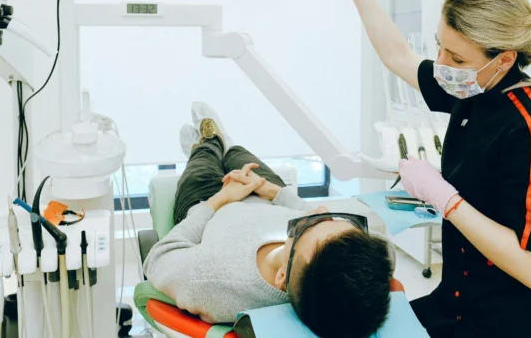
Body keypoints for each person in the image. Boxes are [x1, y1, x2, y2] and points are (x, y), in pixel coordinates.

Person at [339, 0, 531, 337]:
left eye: (456, 57)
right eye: (440, 46)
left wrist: (446, 199)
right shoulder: (472, 90)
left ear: (503, 59)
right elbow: (398, 55)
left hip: (516, 323)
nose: (442, 64)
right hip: (458, 301)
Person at [143, 102, 395, 338]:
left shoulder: (211, 280)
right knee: (239, 154)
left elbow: (157, 260)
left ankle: (207, 143)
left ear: (282, 277)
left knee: (205, 158)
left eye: (307, 223)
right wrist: (274, 192)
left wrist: (220, 199)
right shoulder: (347, 268)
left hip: (208, 200)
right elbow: (386, 251)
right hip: (265, 194)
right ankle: (226, 145)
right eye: (334, 218)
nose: (316, 208)